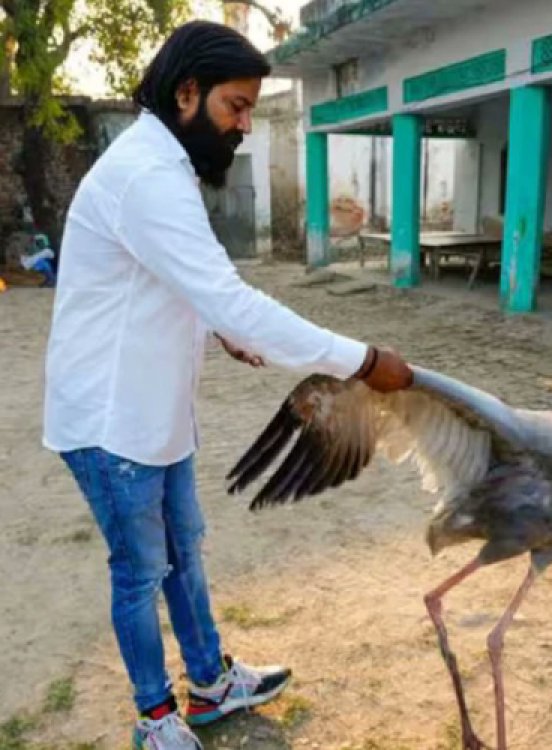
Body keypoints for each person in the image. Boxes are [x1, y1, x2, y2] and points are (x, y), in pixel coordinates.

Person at [42, 20, 412, 750]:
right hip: (110, 420)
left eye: (249, 110)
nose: (245, 125)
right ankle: (155, 717)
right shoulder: (147, 175)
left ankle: (209, 685)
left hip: (154, 412)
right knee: (142, 571)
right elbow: (228, 294)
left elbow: (185, 286)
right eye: (237, 107)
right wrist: (363, 360)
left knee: (185, 551)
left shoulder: (164, 165)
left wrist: (222, 331)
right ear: (188, 93)